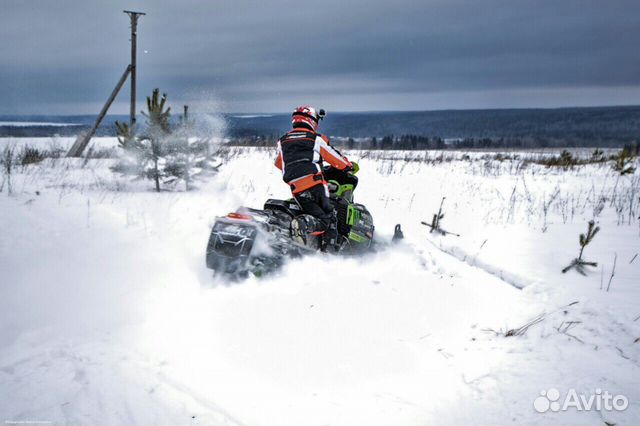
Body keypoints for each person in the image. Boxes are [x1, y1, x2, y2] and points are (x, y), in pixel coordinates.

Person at [274, 106, 352, 250]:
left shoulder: (283, 140)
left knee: (312, 212)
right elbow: (336, 159)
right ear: (311, 120)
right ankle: (327, 253)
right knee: (329, 219)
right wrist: (348, 165)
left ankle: (308, 242)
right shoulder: (316, 139)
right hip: (314, 184)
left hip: (296, 187)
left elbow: (279, 163)